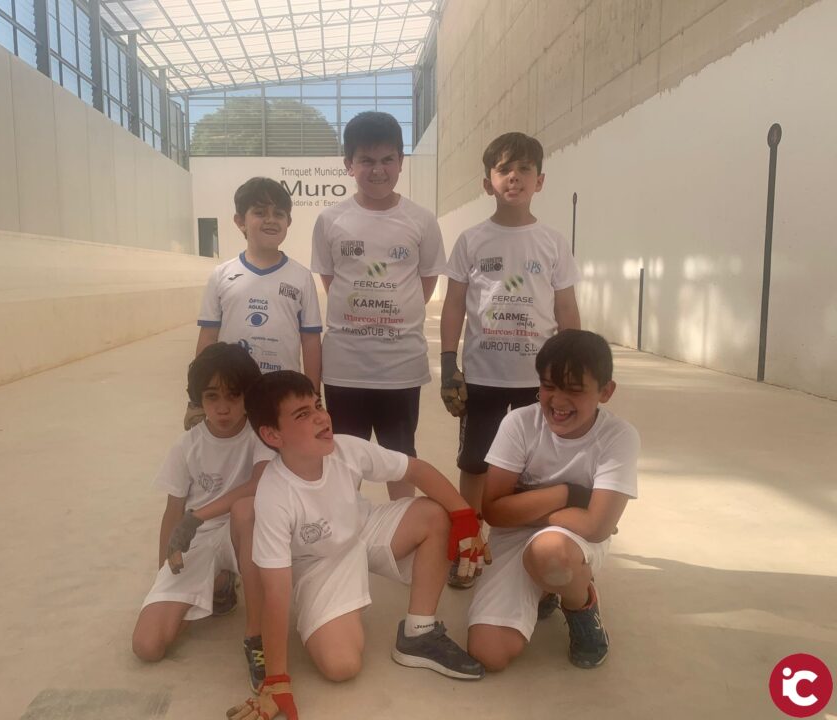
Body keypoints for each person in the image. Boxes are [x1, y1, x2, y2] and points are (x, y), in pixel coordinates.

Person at [226, 371, 487, 720]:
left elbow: (417, 471)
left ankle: (419, 632)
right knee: (341, 666)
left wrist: (465, 518)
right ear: (273, 435)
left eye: (317, 405)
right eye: (302, 415)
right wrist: (278, 681)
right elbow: (276, 593)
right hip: (319, 564)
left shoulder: (345, 449)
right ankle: (337, 617)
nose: (321, 417)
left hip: (363, 529)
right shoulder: (274, 495)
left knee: (435, 515)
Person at [439, 131, 580, 587]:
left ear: (540, 180)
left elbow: (565, 309)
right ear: (487, 183)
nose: (514, 177)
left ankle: (528, 549)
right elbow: (455, 304)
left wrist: (571, 373)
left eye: (524, 169)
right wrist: (448, 364)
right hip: (481, 377)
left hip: (535, 382)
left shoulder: (553, 243)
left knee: (533, 468)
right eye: (503, 169)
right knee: (475, 464)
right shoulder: (472, 240)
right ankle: (469, 543)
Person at [466, 330, 640, 671]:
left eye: (574, 390)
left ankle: (580, 606)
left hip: (571, 542)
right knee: (489, 653)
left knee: (550, 554)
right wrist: (568, 496)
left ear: (606, 391)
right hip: (523, 533)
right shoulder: (519, 423)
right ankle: (546, 588)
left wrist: (525, 503)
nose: (557, 401)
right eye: (548, 386)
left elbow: (598, 526)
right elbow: (494, 512)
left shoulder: (619, 437)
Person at [311, 111, 445, 500]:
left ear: (401, 162)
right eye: (366, 160)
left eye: (387, 159)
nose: (378, 169)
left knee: (399, 459)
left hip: (400, 369)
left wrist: (393, 319)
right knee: (342, 459)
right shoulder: (331, 220)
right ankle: (341, 539)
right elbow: (331, 280)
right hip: (345, 368)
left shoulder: (421, 220)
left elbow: (426, 280)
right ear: (348, 165)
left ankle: (401, 535)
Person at [133, 343, 275, 693]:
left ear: (248, 396)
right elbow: (173, 510)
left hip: (242, 533)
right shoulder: (186, 445)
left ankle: (256, 637)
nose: (223, 408)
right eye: (212, 397)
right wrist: (164, 571)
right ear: (198, 398)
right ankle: (219, 584)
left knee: (248, 510)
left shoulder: (259, 435)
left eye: (233, 395)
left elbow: (259, 482)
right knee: (148, 646)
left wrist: (198, 516)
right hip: (196, 538)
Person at [184, 177, 322, 430]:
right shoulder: (221, 275)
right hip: (233, 390)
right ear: (240, 221)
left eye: (278, 214)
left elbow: (311, 341)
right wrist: (197, 398)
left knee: (276, 459)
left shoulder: (302, 277)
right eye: (259, 212)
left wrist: (313, 396)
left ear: (288, 222)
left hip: (281, 393)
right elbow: (208, 336)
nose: (270, 220)